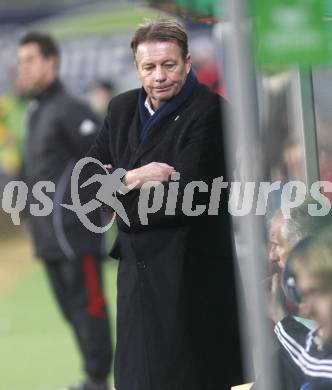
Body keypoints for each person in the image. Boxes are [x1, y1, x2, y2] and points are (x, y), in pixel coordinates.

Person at [86, 19, 243, 390]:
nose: (159, 76)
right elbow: (84, 185)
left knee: (190, 377)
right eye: (149, 67)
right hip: (137, 282)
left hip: (191, 278)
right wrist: (133, 177)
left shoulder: (212, 111)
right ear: (136, 68)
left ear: (188, 63)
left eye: (168, 65)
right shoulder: (122, 108)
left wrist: (114, 197)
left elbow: (184, 200)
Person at [17, 32, 112, 390]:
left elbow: (101, 158)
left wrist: (102, 208)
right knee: (71, 313)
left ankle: (98, 379)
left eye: (30, 60)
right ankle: (92, 376)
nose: (23, 68)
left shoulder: (71, 108)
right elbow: (33, 172)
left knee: (90, 308)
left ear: (51, 62)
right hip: (47, 237)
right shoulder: (35, 111)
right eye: (21, 60)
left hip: (76, 234)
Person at [270, 227, 332, 390]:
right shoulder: (317, 340)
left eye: (316, 293)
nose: (306, 310)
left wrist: (281, 319)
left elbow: (316, 364)